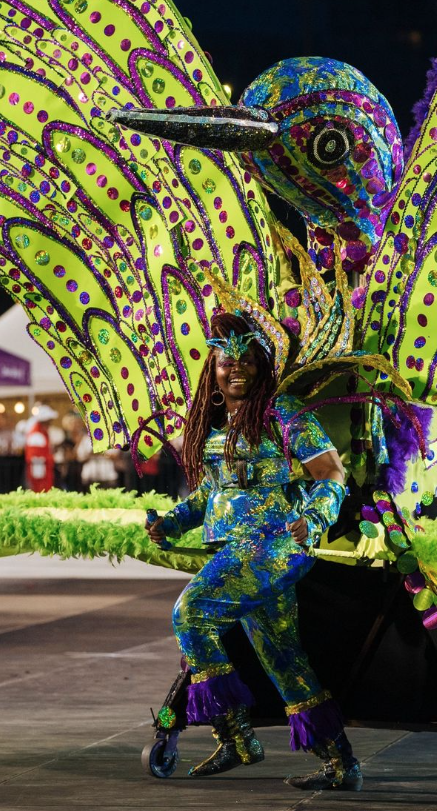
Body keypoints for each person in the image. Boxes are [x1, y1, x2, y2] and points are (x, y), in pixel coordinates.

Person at [145, 313, 360, 791]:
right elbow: (210, 496)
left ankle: (237, 736)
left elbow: (331, 472)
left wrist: (318, 516)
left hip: (273, 544)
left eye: (247, 360)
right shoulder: (220, 423)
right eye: (226, 361)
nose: (236, 369)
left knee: (190, 614)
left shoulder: (284, 412)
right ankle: (342, 763)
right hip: (241, 548)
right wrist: (172, 522)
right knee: (285, 658)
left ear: (263, 364)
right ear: (213, 369)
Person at [24, 404, 59, 493]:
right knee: (41, 491)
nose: (50, 424)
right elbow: (36, 459)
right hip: (40, 473)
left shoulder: (41, 434)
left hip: (44, 471)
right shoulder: (36, 435)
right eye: (48, 422)